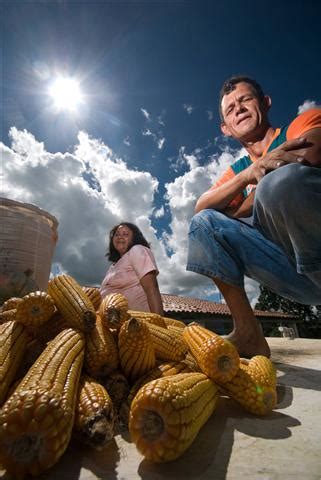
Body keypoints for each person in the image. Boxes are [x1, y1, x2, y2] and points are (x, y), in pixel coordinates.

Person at [186, 75, 321, 358]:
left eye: (245, 99)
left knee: (279, 185)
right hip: (292, 273)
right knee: (204, 224)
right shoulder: (239, 170)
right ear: (226, 128)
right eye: (230, 108)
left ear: (265, 102)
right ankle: (249, 334)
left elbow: (310, 153)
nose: (239, 108)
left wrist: (242, 205)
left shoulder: (301, 123)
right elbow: (202, 206)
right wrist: (250, 174)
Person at [100, 222, 164, 315]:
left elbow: (152, 288)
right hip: (114, 322)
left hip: (138, 322)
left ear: (134, 238)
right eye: (116, 234)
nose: (120, 237)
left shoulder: (137, 250)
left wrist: (158, 323)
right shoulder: (112, 267)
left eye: (125, 234)